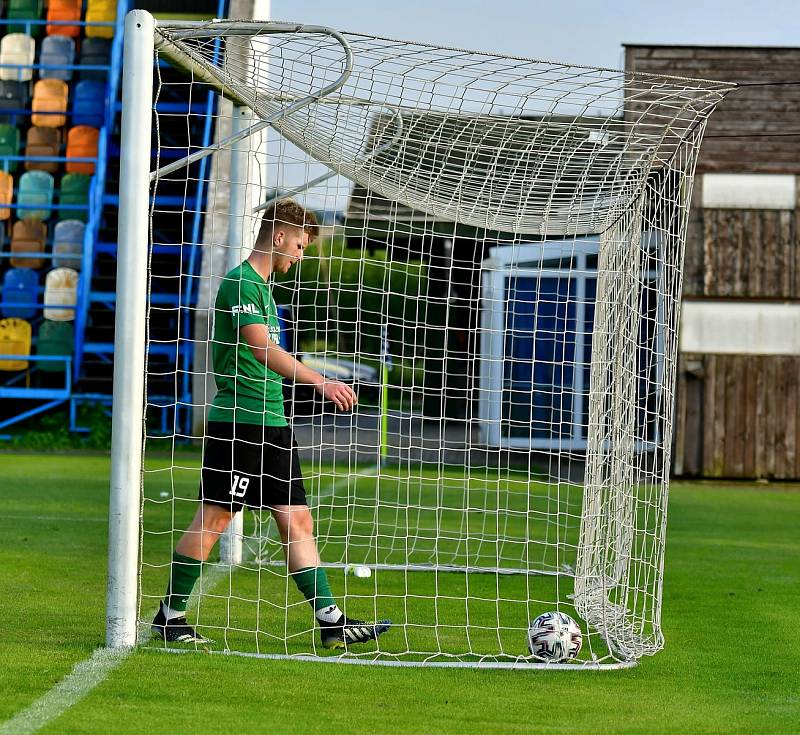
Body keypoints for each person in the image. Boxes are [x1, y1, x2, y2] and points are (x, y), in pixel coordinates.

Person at [152, 198, 391, 649]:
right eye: (299, 246)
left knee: (297, 519)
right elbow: (261, 349)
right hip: (241, 423)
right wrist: (321, 381)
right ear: (279, 236)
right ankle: (172, 615)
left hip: (273, 424)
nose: (300, 256)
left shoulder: (265, 291)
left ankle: (331, 621)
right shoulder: (240, 283)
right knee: (217, 517)